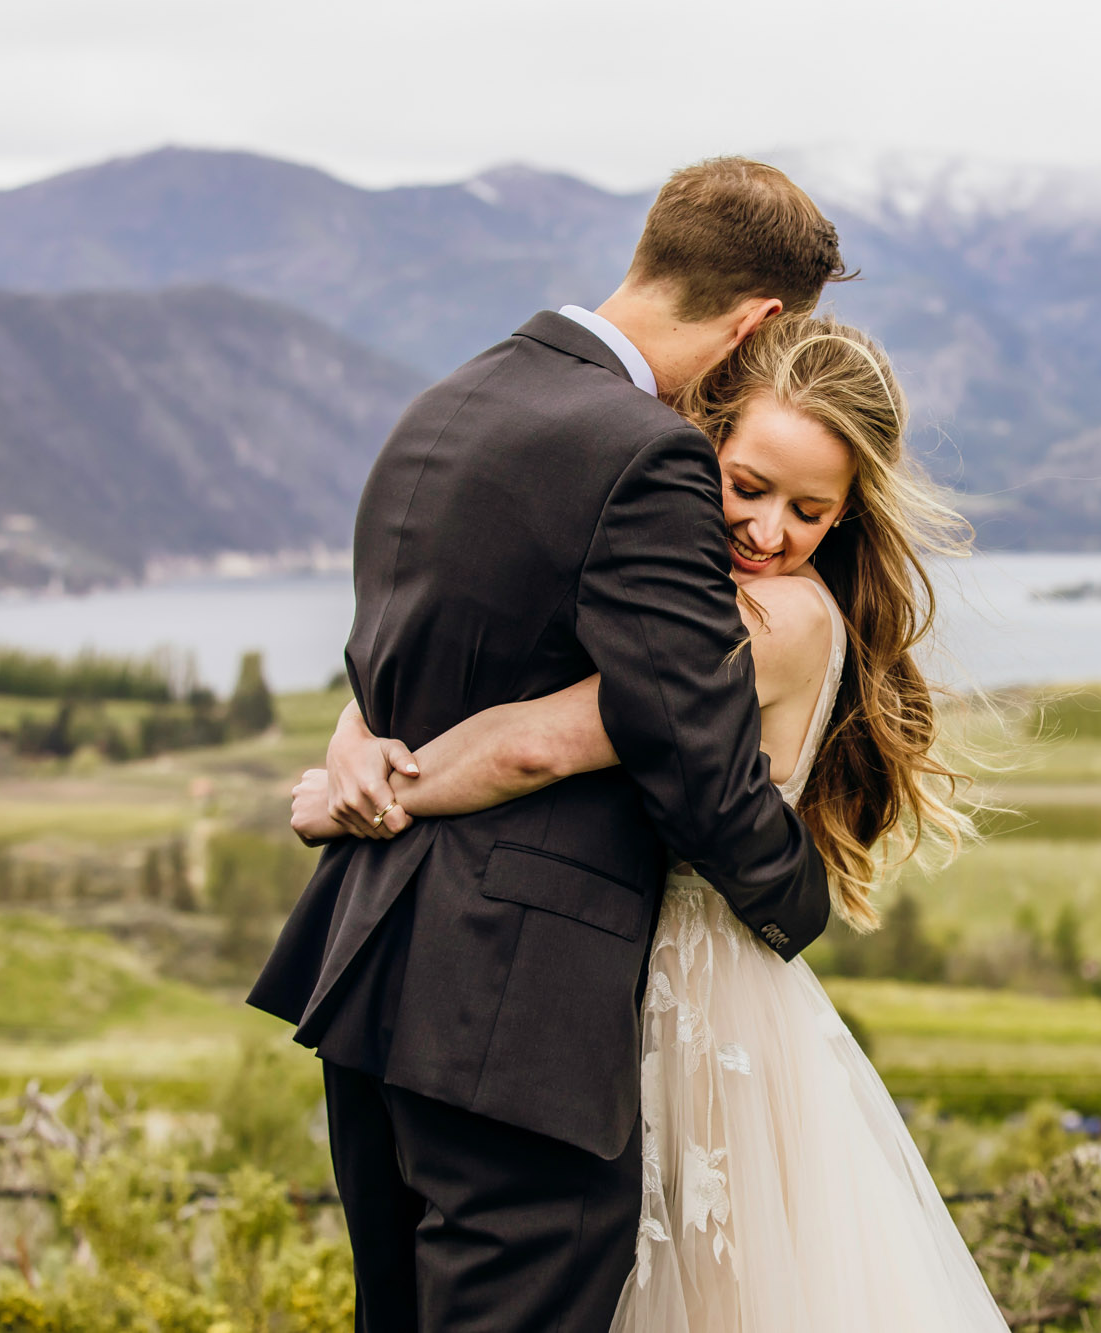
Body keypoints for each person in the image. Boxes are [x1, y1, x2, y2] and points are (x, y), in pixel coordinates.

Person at [296, 314, 1012, 1330]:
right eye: (747, 487)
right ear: (702, 445)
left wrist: (366, 791)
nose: (767, 532)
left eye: (810, 511)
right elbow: (475, 661)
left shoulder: (775, 621)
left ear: (848, 515)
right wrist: (354, 729)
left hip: (694, 997)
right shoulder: (674, 588)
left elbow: (538, 736)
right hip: (616, 977)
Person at [248, 158, 846, 1333]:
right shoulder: (645, 455)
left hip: (370, 965)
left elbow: (397, 658)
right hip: (511, 1011)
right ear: (758, 321)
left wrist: (357, 760)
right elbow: (687, 746)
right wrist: (793, 909)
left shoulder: (450, 402)